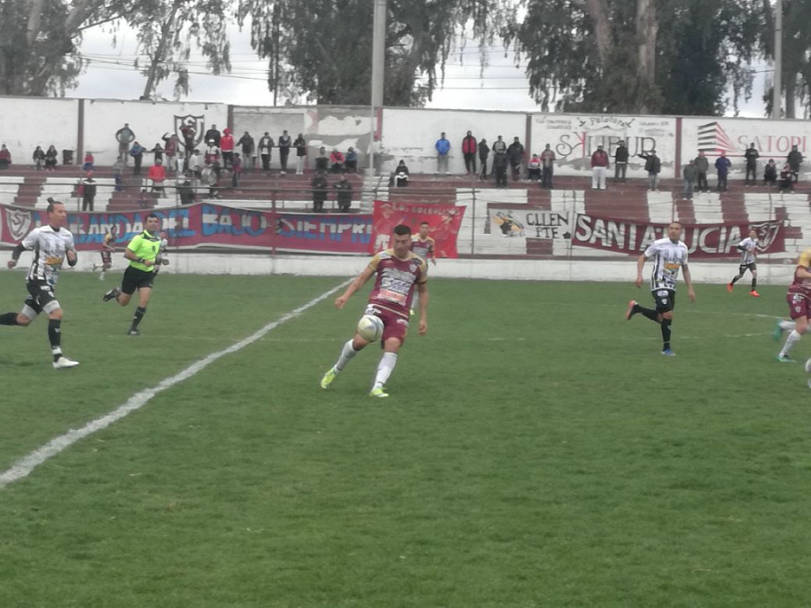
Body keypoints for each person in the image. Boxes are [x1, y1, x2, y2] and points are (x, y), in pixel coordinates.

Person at [320, 224, 429, 398]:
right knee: (359, 343)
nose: (399, 245)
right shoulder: (382, 258)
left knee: (392, 344)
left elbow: (423, 291)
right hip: (378, 307)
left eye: (403, 241)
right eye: (396, 241)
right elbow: (362, 278)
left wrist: (423, 318)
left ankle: (377, 386)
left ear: (410, 241)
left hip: (400, 313)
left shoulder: (419, 265)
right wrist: (345, 296)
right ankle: (335, 370)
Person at [0, 198, 80, 369]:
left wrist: (73, 258)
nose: (63, 214)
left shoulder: (67, 235)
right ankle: (58, 357)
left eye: (64, 211)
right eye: (60, 211)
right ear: (50, 214)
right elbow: (19, 247)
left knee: (23, 320)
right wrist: (13, 259)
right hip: (36, 280)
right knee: (56, 313)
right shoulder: (39, 233)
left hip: (50, 283)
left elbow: (72, 259)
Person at [625, 221, 696, 356]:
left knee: (662, 318)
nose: (673, 231)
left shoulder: (683, 248)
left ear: (680, 232)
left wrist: (690, 288)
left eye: (676, 229)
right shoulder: (659, 244)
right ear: (668, 230)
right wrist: (639, 275)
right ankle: (666, 349)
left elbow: (685, 269)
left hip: (672, 286)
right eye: (671, 228)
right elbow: (642, 257)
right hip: (659, 283)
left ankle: (637, 308)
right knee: (669, 314)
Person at [102, 213, 166, 336]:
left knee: (144, 300)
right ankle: (116, 293)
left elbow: (155, 255)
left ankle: (133, 329)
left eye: (155, 221)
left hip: (147, 275)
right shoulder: (139, 238)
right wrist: (142, 261)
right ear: (145, 224)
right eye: (150, 221)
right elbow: (127, 254)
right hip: (133, 273)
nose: (153, 223)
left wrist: (159, 261)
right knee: (123, 302)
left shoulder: (158, 240)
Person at [774, 248, 811, 362]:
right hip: (798, 292)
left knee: (807, 327)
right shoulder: (808, 253)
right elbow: (800, 273)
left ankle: (784, 325)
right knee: (802, 326)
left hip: (808, 296)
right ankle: (783, 355)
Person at [727, 229, 760, 297]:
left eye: (754, 233)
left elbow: (752, 248)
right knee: (740, 275)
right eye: (752, 233)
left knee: (755, 273)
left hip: (751, 261)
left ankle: (753, 291)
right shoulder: (746, 240)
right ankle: (731, 284)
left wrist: (754, 252)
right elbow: (739, 246)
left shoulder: (756, 240)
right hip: (744, 261)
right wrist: (747, 250)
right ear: (749, 234)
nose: (753, 234)